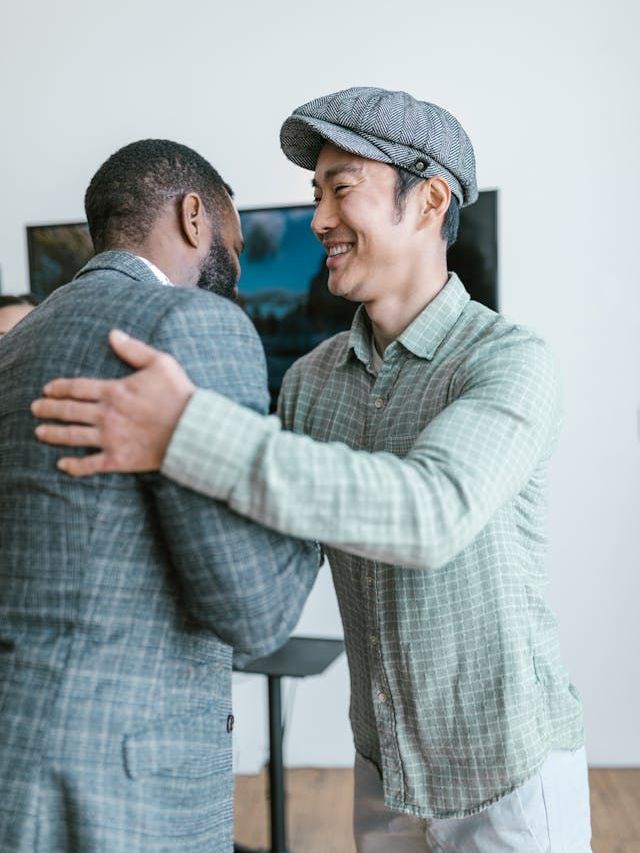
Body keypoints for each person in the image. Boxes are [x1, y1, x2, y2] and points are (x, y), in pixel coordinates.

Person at [33, 89, 592, 851]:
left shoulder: (509, 361)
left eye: (341, 188)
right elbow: (265, 546)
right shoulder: (311, 380)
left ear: (428, 200)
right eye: (314, 194)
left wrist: (187, 427)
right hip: (383, 771)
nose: (319, 218)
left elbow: (432, 512)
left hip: (507, 774)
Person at [0, 138, 319, 853]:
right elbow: (254, 613)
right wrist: (313, 489)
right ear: (194, 217)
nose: (235, 272)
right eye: (235, 246)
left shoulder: (16, 343)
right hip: (119, 789)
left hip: (19, 753)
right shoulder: (193, 324)